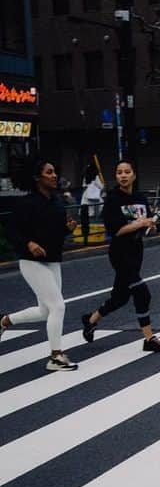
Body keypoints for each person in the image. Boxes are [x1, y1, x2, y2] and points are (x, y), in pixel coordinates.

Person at [80, 160, 160, 352]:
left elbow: (146, 224)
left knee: (120, 297)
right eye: (119, 172)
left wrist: (150, 226)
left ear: (133, 175)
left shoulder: (140, 198)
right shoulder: (113, 199)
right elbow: (115, 230)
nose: (123, 175)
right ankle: (148, 338)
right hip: (120, 252)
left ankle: (91, 319)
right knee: (141, 292)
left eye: (127, 172)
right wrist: (140, 224)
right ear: (116, 176)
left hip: (137, 251)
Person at [0, 158, 80, 371]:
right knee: (58, 306)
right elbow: (11, 231)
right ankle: (55, 357)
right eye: (49, 172)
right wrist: (29, 243)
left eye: (55, 172)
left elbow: (55, 232)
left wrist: (68, 229)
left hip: (53, 260)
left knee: (46, 311)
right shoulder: (26, 203)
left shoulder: (57, 202)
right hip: (31, 262)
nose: (54, 175)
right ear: (38, 177)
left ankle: (4, 321)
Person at [80, 163, 104, 240]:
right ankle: (96, 223)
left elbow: (83, 187)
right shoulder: (96, 177)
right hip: (95, 196)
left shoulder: (85, 177)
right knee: (99, 207)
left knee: (88, 211)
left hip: (86, 195)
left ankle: (87, 232)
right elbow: (101, 186)